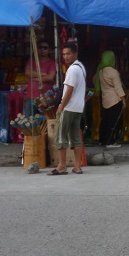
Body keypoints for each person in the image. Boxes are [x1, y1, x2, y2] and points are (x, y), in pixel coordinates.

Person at [48, 41, 86, 175]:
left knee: (60, 136)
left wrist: (61, 106)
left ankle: (62, 166)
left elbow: (69, 89)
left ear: (75, 54)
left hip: (69, 107)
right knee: (75, 137)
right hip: (78, 108)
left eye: (68, 54)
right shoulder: (81, 67)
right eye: (64, 54)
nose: (66, 57)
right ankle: (77, 166)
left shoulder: (72, 69)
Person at [94, 50, 126, 149]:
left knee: (105, 121)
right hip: (114, 100)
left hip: (105, 99)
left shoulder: (100, 71)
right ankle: (110, 141)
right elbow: (118, 87)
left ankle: (102, 140)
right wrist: (123, 100)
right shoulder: (113, 72)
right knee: (113, 122)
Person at [23, 39, 57, 116]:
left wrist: (34, 77)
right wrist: (43, 74)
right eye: (40, 47)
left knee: (45, 120)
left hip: (45, 97)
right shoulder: (32, 60)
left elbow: (50, 77)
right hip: (31, 96)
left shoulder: (51, 63)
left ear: (49, 50)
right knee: (29, 120)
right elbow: (27, 72)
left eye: (45, 48)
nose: (42, 50)